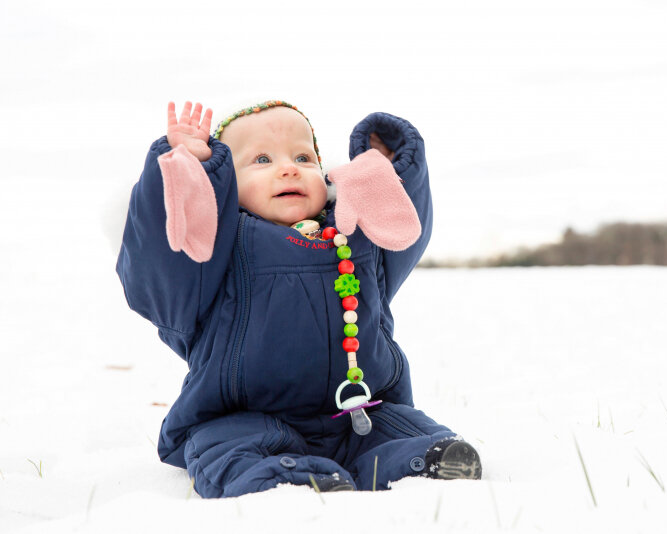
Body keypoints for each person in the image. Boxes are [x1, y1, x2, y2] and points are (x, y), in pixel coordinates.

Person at [116, 100, 482, 498]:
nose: (288, 168)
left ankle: (421, 463)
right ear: (225, 188)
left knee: (406, 431)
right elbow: (160, 264)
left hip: (357, 412)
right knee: (229, 446)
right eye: (261, 159)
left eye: (303, 157)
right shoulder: (217, 247)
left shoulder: (353, 233)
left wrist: (394, 164)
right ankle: (289, 480)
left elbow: (404, 228)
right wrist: (188, 174)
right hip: (245, 416)